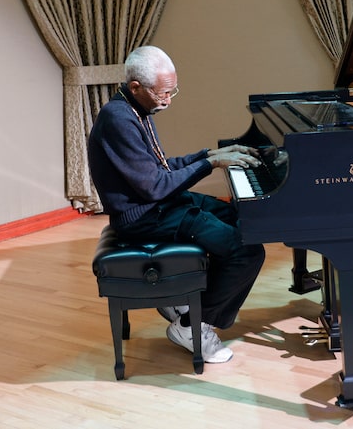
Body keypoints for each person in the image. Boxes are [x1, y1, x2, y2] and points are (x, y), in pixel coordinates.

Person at [87, 45, 266, 364]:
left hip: (157, 206)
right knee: (248, 249)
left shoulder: (134, 108)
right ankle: (192, 325)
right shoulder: (119, 119)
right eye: (163, 94)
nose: (168, 100)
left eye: (173, 91)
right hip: (144, 218)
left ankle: (187, 298)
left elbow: (160, 167)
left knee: (237, 215)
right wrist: (211, 164)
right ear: (136, 87)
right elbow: (155, 186)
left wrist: (209, 155)